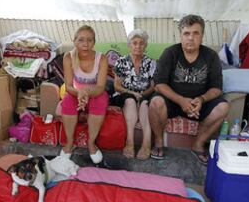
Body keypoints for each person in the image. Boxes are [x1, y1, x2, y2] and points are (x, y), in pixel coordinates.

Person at [148, 14, 229, 165]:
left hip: (199, 104)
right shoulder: (170, 53)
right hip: (172, 102)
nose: (191, 38)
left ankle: (198, 145)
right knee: (156, 102)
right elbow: (159, 84)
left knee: (223, 107)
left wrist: (201, 99)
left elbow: (217, 88)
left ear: (202, 36)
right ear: (180, 35)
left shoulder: (211, 56)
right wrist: (181, 100)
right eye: (186, 33)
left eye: (195, 33)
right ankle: (158, 142)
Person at [60, 25, 109, 164]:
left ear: (94, 42)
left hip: (94, 93)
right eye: (81, 40)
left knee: (101, 99)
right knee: (68, 100)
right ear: (74, 41)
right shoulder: (68, 57)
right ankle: (69, 143)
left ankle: (91, 143)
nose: (85, 44)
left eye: (89, 40)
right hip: (75, 93)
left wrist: (86, 92)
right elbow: (68, 86)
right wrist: (80, 93)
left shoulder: (102, 59)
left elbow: (100, 87)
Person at [112, 29, 156, 160]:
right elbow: (117, 86)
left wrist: (142, 95)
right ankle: (130, 142)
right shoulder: (121, 61)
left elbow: (154, 86)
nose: (138, 46)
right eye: (134, 43)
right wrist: (133, 93)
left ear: (146, 45)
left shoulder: (151, 63)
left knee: (146, 103)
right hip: (125, 93)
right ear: (129, 45)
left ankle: (146, 143)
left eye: (141, 43)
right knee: (131, 100)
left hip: (145, 93)